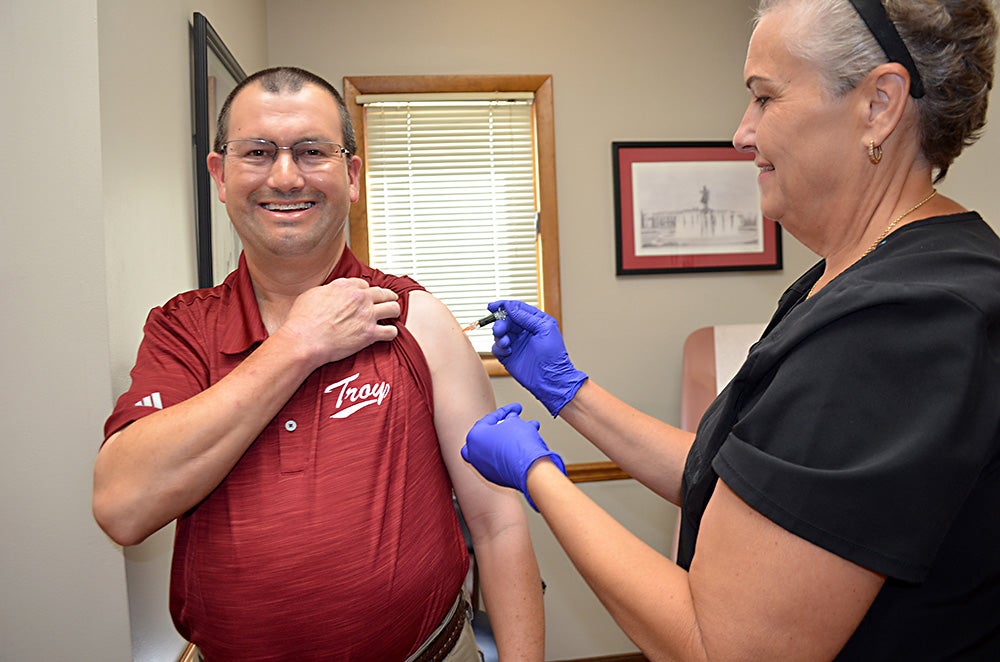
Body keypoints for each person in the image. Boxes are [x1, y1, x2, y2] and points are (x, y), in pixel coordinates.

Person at [461, 0, 1000, 659]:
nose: (742, 133)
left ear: (879, 103)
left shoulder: (902, 323)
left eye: (764, 98)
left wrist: (539, 473)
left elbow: (718, 648)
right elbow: (728, 481)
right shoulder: (857, 275)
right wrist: (566, 390)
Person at [93, 66, 545, 661]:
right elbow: (123, 508)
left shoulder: (414, 318)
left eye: (312, 152)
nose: (285, 177)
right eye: (257, 152)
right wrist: (298, 343)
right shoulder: (183, 329)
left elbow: (497, 523)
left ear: (352, 176)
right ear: (220, 175)